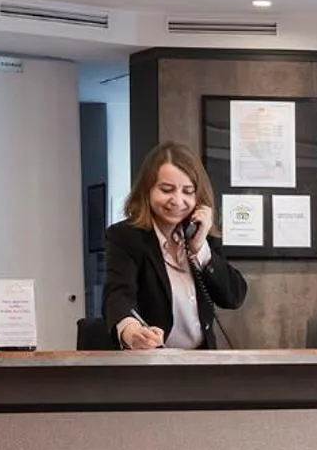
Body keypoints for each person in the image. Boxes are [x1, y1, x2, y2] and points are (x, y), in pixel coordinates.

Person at [103, 142, 248, 350]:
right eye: (167, 189)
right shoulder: (125, 237)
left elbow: (234, 297)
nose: (178, 200)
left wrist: (199, 248)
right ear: (147, 190)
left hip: (200, 364)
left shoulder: (203, 235)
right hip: (151, 365)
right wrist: (131, 331)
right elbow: (117, 294)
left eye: (188, 191)